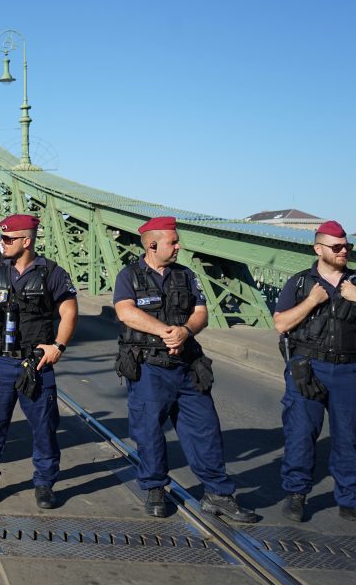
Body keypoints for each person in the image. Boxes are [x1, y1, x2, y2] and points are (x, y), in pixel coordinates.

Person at [113, 216, 256, 522]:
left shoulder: (186, 275)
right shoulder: (130, 276)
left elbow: (201, 312)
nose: (179, 246)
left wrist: (186, 331)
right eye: (173, 242)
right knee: (149, 430)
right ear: (153, 244)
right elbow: (126, 311)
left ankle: (218, 494)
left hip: (187, 365)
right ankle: (154, 488)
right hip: (150, 366)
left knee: (205, 429)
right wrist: (167, 332)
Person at [0, 214, 78, 507]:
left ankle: (44, 484)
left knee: (43, 427)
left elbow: (69, 311)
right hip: (0, 362)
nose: (2, 243)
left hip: (35, 364)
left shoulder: (52, 273)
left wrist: (58, 346)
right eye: (2, 238)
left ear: (26, 241)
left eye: (8, 239)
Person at [273, 220, 356, 522]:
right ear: (318, 249)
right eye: (337, 247)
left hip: (349, 369)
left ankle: (349, 497)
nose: (344, 250)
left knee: (349, 436)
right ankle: (296, 495)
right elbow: (281, 324)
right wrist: (311, 301)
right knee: (301, 433)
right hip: (307, 368)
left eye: (348, 246)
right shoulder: (299, 283)